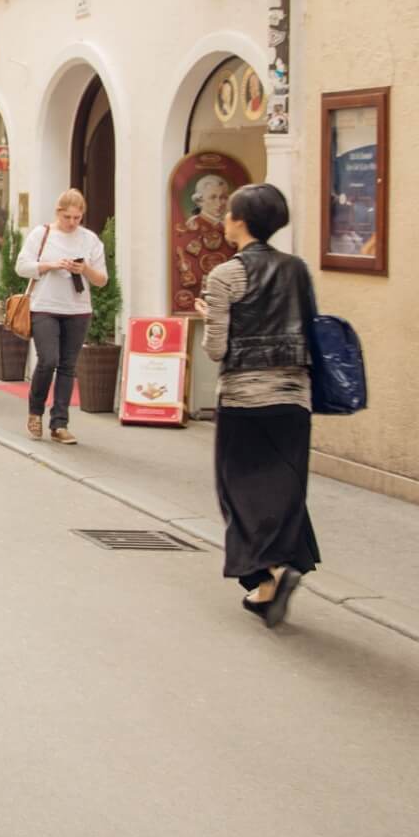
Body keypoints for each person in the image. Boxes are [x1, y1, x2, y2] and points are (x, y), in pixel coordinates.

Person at [194, 183, 321, 629]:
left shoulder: (224, 275)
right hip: (293, 396)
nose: (223, 218)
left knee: (240, 492)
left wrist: (210, 317)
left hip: (244, 398)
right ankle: (274, 578)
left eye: (228, 212)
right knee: (285, 489)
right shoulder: (297, 269)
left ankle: (268, 571)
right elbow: (310, 328)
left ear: (242, 221)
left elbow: (216, 348)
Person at [14, 190, 109, 444]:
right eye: (67, 217)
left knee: (68, 366)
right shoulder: (42, 234)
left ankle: (60, 424)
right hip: (44, 306)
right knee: (48, 359)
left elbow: (102, 280)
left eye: (77, 217)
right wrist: (51, 266)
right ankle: (35, 412)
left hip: (78, 310)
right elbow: (21, 266)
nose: (72, 222)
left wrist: (84, 268)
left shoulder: (89, 240)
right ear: (58, 212)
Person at [173, 173, 235, 314]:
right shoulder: (190, 227)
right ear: (199, 201)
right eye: (213, 197)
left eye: (223, 197)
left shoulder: (229, 227)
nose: (219, 203)